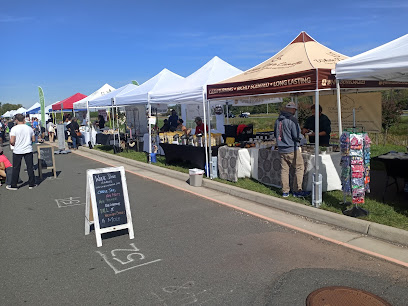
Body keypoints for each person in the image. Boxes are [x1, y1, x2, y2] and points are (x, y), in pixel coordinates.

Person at [274, 102, 310, 198]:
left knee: (284, 170)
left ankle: (285, 191)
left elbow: (275, 134)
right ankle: (297, 190)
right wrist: (303, 139)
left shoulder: (278, 120)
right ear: (292, 109)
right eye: (295, 110)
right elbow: (296, 135)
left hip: (281, 148)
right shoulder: (292, 120)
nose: (295, 111)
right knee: (299, 167)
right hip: (291, 148)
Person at [7, 113, 36, 190]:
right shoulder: (29, 128)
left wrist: (12, 143)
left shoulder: (14, 129)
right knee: (30, 167)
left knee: (16, 168)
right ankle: (31, 184)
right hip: (28, 149)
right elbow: (33, 139)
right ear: (23, 119)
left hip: (18, 150)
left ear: (16, 120)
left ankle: (14, 185)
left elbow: (12, 141)